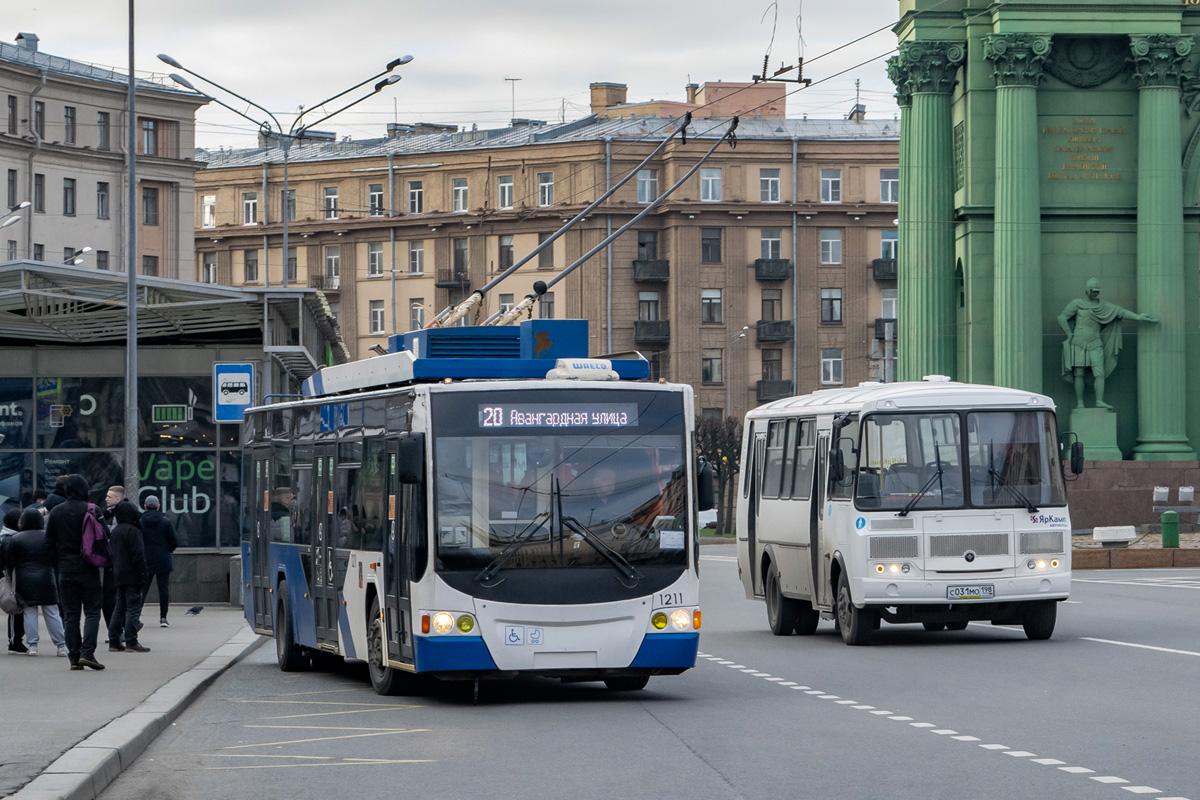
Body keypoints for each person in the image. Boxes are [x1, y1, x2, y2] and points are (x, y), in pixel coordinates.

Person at [1058, 277, 1157, 410]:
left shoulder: (1103, 306)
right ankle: (1080, 403)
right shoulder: (1076, 303)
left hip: (1095, 341)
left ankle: (1099, 401)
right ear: (1087, 290)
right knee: (1079, 372)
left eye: (1097, 291)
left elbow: (1120, 312)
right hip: (1078, 341)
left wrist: (1138, 317)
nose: (1096, 293)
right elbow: (1062, 318)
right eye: (1093, 291)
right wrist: (1069, 334)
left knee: (1100, 372)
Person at [45, 474, 105, 670]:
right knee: (92, 612)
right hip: (89, 567)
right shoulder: (92, 509)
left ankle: (74, 657)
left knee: (70, 615)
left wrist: (58, 563)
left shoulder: (56, 511)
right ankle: (88, 653)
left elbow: (49, 543)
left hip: (65, 569)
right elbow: (105, 536)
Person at [2, 509, 67, 657]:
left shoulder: (16, 538)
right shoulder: (48, 537)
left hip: (25, 578)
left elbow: (10, 561)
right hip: (47, 577)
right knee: (52, 612)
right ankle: (61, 645)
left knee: (29, 612)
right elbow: (56, 558)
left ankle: (32, 645)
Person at [107, 499, 149, 653]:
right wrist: (143, 573)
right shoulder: (134, 531)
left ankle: (114, 641)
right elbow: (138, 555)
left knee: (119, 607)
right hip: (133, 574)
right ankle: (131, 641)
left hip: (118, 573)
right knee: (133, 608)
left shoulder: (115, 531)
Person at [140, 495, 178, 628]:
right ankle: (163, 618)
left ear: (145, 506)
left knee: (143, 589)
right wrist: (167, 550)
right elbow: (174, 541)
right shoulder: (166, 522)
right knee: (163, 588)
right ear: (158, 507)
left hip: (145, 558)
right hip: (163, 558)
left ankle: (136, 616)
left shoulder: (140, 522)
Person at [2, 507, 26, 654]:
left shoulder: (7, 536)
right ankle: (14, 641)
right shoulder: (9, 539)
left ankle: (16, 640)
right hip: (7, 578)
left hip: (7, 577)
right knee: (14, 608)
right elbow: (9, 562)